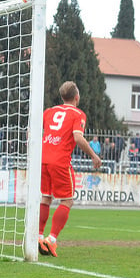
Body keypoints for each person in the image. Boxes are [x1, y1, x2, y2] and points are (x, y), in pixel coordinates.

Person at [38, 81, 102, 258]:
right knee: (67, 201)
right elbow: (78, 138)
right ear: (77, 97)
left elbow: (35, 132)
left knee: (46, 197)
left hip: (43, 159)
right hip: (60, 161)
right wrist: (94, 155)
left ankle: (38, 237)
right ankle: (51, 240)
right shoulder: (78, 114)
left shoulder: (49, 112)